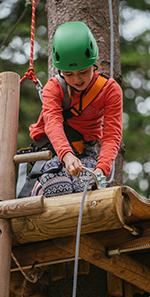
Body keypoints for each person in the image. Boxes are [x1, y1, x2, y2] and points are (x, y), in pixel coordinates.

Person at [27, 21, 123, 197]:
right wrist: (66, 155)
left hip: (85, 148)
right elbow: (53, 123)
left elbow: (112, 133)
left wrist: (102, 169)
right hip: (51, 147)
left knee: (86, 190)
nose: (77, 79)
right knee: (58, 189)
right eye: (68, 74)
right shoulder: (53, 88)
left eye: (83, 72)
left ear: (94, 65)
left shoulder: (109, 90)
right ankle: (39, 189)